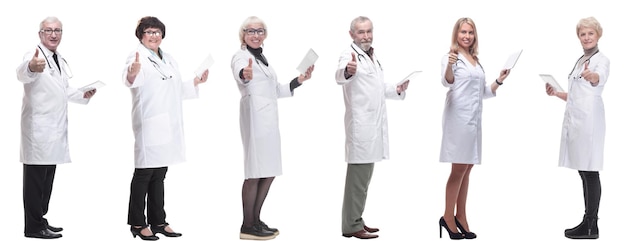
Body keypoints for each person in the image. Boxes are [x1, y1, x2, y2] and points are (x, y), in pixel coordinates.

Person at [123, 16, 209, 240]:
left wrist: (196, 82)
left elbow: (175, 88)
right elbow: (130, 78)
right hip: (149, 122)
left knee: (159, 175)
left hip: (167, 124)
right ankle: (137, 223)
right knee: (144, 174)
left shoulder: (168, 58)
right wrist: (132, 72)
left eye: (157, 32)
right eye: (149, 32)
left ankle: (158, 221)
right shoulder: (136, 56)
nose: (154, 36)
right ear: (141, 35)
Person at [230, 16, 314, 240]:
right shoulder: (241, 57)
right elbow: (242, 73)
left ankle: (256, 220)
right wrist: (243, 74)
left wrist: (299, 80)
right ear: (243, 35)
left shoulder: (263, 59)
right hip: (255, 118)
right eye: (251, 31)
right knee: (255, 172)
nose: (256, 35)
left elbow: (276, 89)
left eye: (260, 31)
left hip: (269, 120)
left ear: (265, 35)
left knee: (269, 171)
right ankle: (247, 225)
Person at [16, 16, 97, 239]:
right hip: (38, 130)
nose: (53, 34)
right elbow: (23, 72)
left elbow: (63, 90)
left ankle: (40, 219)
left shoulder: (56, 58)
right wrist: (31, 67)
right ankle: (32, 228)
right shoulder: (33, 55)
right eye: (48, 30)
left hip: (53, 130)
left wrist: (83, 94)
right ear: (40, 34)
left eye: (58, 30)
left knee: (46, 180)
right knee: (34, 182)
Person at [335, 16, 409, 240]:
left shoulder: (372, 56)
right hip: (361, 128)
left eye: (368, 31)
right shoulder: (348, 55)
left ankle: (357, 219)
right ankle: (351, 225)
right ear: (352, 35)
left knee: (363, 179)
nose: (366, 36)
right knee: (357, 180)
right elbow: (340, 76)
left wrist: (396, 88)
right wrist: (347, 71)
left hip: (372, 127)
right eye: (360, 32)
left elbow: (377, 88)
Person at [438, 17, 510, 240]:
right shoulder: (452, 57)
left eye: (470, 32)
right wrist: (450, 64)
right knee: (458, 169)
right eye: (463, 32)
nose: (467, 36)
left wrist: (499, 80)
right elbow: (447, 82)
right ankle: (447, 217)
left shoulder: (476, 61)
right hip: (458, 120)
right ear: (456, 35)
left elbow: (483, 93)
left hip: (474, 121)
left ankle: (461, 216)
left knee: (467, 168)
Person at [545, 16, 609, 240]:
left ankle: (592, 224)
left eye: (590, 33)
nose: (587, 37)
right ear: (579, 37)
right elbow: (575, 95)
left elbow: (597, 79)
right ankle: (587, 222)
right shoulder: (582, 59)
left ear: (597, 35)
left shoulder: (601, 60)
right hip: (578, 120)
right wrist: (556, 93)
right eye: (583, 34)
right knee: (583, 170)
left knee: (590, 170)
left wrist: (592, 75)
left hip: (590, 121)